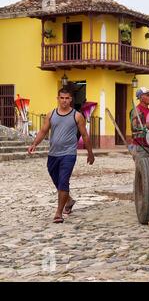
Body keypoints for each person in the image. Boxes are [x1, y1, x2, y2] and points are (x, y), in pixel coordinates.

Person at [28, 88, 95, 223]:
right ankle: (69, 200)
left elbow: (85, 135)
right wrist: (34, 143)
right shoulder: (51, 114)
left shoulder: (77, 116)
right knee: (57, 180)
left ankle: (58, 213)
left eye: (67, 98)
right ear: (58, 98)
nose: (64, 101)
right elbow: (43, 131)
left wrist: (90, 153)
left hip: (69, 154)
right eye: (62, 98)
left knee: (63, 181)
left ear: (71, 99)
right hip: (53, 154)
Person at [130, 87, 149, 157]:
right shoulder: (136, 111)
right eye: (148, 95)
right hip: (140, 147)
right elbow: (135, 127)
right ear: (141, 98)